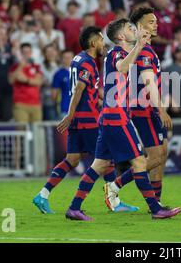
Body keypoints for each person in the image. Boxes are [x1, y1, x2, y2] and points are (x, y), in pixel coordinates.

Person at [64, 18, 181, 221]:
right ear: (121, 36)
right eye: (130, 28)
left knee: (99, 165)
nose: (133, 29)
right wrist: (139, 45)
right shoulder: (117, 53)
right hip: (117, 117)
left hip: (110, 116)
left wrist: (141, 45)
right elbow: (122, 68)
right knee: (138, 161)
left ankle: (74, 207)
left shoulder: (121, 53)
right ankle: (156, 209)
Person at [33, 26, 136, 214]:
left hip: (78, 119)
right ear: (93, 42)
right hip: (87, 119)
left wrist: (101, 101)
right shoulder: (88, 63)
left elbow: (87, 91)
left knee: (72, 159)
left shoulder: (77, 58)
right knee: (106, 160)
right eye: (100, 40)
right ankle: (114, 202)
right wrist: (70, 114)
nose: (103, 44)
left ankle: (43, 194)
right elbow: (79, 89)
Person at [104, 8, 173, 211]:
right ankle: (115, 186)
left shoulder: (147, 50)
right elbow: (148, 81)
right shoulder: (143, 51)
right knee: (156, 156)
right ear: (139, 27)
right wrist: (160, 109)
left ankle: (157, 199)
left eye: (155, 20)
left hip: (148, 107)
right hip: (144, 109)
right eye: (151, 22)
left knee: (162, 154)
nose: (156, 24)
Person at [8, 43, 43, 123]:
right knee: (22, 129)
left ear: (31, 53)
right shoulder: (14, 67)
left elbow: (38, 81)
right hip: (20, 104)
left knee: (37, 131)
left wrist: (26, 80)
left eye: (28, 52)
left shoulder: (36, 67)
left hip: (35, 104)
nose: (26, 54)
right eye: (24, 52)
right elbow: (11, 80)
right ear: (21, 53)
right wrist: (20, 67)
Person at [52, 50, 74, 119]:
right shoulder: (58, 74)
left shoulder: (81, 72)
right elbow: (53, 95)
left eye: (70, 57)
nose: (68, 60)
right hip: (64, 109)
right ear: (62, 59)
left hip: (80, 109)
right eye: (65, 57)